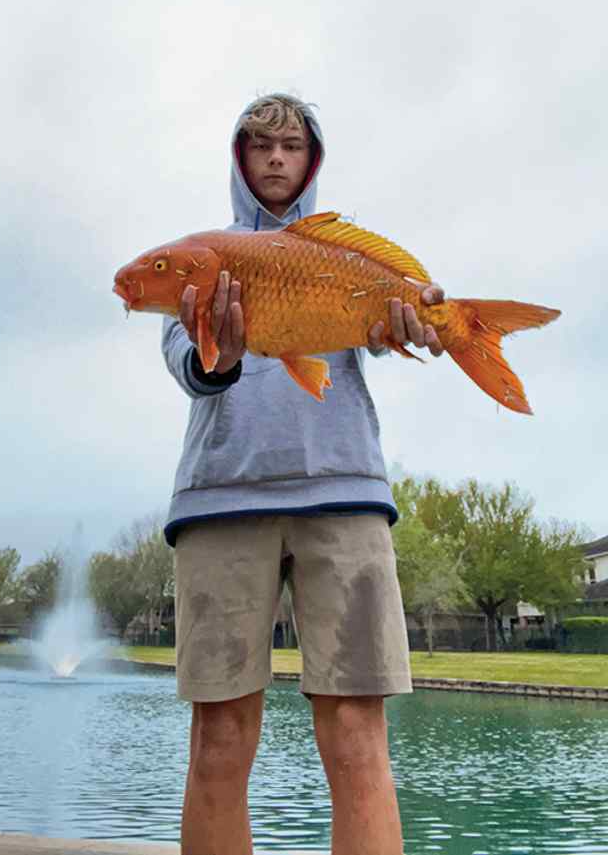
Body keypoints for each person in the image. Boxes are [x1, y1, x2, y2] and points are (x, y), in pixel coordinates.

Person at [161, 93, 445, 855]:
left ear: (311, 159)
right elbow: (185, 365)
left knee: (358, 736)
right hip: (220, 499)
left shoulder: (342, 256)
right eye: (261, 146)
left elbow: (386, 332)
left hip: (345, 494)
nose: (277, 158)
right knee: (217, 736)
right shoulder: (200, 257)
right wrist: (210, 353)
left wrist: (411, 320)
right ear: (240, 159)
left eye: (291, 145)